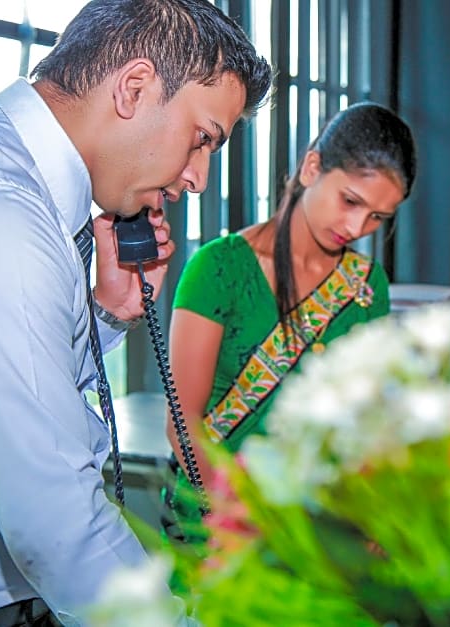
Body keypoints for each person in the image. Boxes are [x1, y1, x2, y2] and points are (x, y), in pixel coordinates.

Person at [0, 0, 272, 624]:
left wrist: (107, 313)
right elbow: (52, 516)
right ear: (133, 88)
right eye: (202, 139)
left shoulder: (2, 169)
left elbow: (25, 383)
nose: (199, 179)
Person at [164, 102, 417, 541]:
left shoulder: (366, 284)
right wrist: (247, 519)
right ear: (312, 168)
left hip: (322, 528)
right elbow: (183, 423)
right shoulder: (219, 269)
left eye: (378, 217)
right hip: (222, 526)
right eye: (350, 201)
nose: (358, 226)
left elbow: (367, 416)